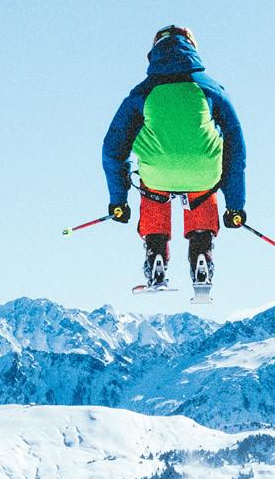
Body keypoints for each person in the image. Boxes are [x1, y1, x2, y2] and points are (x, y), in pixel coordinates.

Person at [102, 25, 247, 290]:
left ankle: (156, 254)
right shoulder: (211, 89)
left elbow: (113, 149)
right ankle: (201, 253)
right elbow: (236, 148)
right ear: (193, 48)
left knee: (152, 179)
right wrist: (235, 205)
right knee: (202, 181)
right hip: (204, 173)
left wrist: (118, 201)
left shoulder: (141, 93)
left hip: (157, 173)